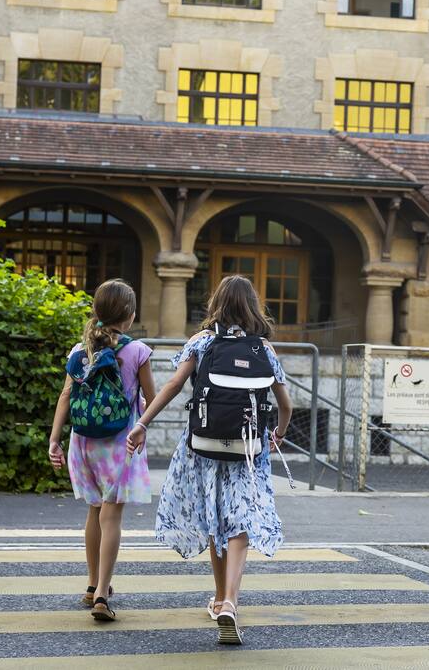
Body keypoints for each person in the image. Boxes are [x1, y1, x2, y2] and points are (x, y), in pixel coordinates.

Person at [126, 275, 291, 645]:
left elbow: (171, 387)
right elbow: (285, 404)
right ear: (252, 307)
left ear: (216, 303)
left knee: (215, 518)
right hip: (248, 449)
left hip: (201, 446)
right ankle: (230, 601)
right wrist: (278, 433)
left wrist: (141, 423)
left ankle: (220, 600)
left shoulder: (201, 343)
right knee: (241, 520)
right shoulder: (263, 348)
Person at [49, 279, 154, 622]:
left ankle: (92, 584)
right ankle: (103, 597)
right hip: (119, 443)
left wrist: (54, 439)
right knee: (112, 515)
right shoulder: (136, 351)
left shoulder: (79, 351)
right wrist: (140, 415)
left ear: (96, 311)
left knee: (94, 512)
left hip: (82, 440)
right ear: (130, 314)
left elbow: (66, 396)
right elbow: (153, 400)